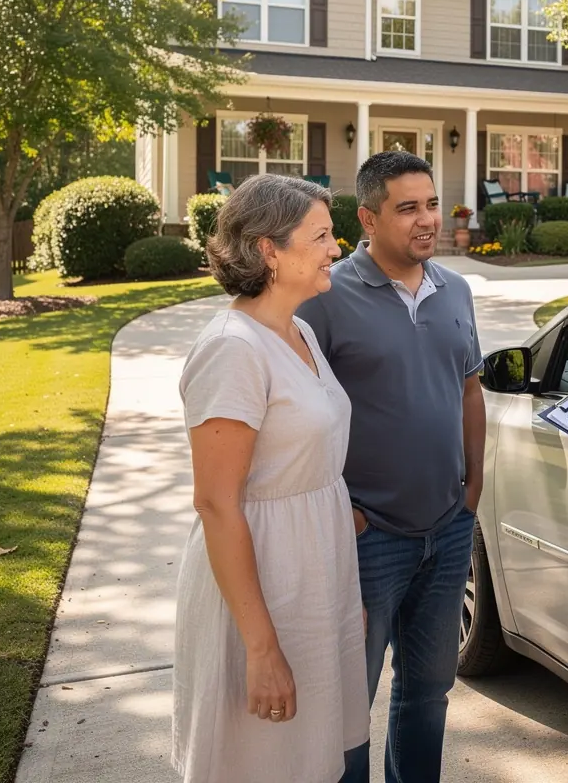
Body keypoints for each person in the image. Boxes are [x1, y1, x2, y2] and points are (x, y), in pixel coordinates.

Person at [172, 174, 368, 783]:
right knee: (261, 762)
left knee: (309, 758)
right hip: (263, 584)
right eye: (321, 236)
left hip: (314, 573)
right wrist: (260, 648)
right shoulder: (233, 349)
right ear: (268, 250)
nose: (337, 247)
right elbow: (217, 505)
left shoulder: (300, 330)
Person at [298, 151, 485, 783]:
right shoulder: (325, 297)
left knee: (428, 694)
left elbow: (469, 390)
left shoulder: (455, 290)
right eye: (407, 208)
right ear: (368, 219)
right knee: (350, 706)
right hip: (367, 534)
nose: (426, 219)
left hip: (448, 527)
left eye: (431, 203)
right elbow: (299, 412)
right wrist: (338, 509)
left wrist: (474, 487)